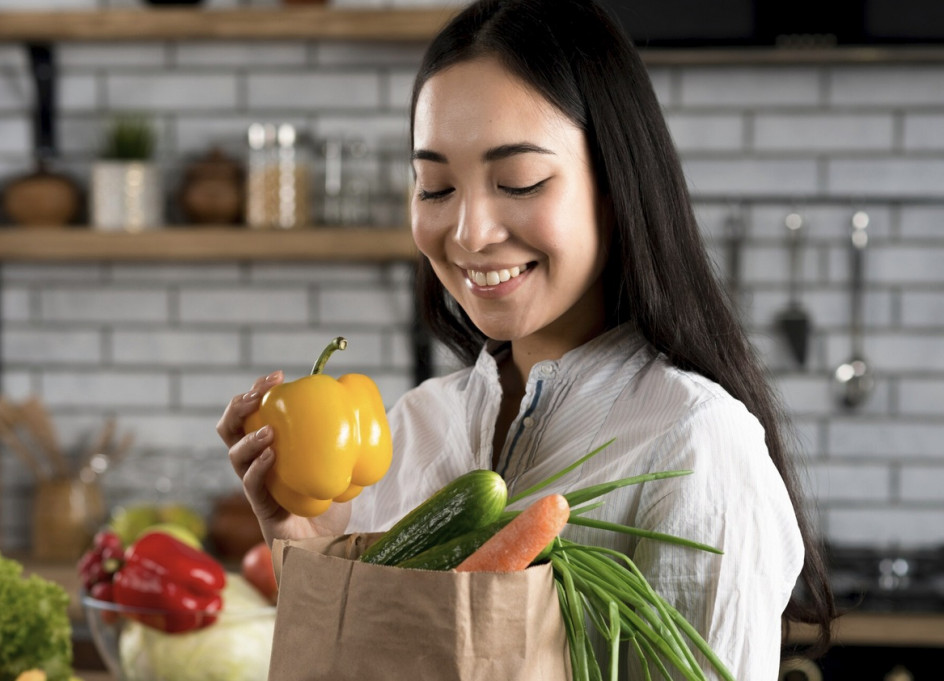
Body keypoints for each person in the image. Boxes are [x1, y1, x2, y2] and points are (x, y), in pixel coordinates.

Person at [217, 0, 837, 677]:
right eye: (436, 186)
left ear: (615, 184)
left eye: (519, 181)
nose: (469, 232)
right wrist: (313, 553)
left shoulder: (695, 445)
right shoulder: (415, 427)